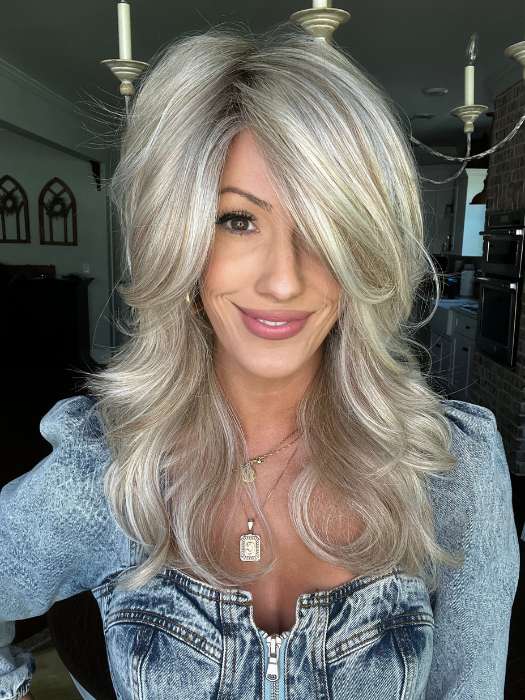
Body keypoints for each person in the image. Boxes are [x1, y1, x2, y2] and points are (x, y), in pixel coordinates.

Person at [1, 20, 520, 700]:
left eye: (324, 227)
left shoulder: (450, 469)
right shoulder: (107, 468)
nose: (283, 279)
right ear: (179, 236)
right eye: (237, 220)